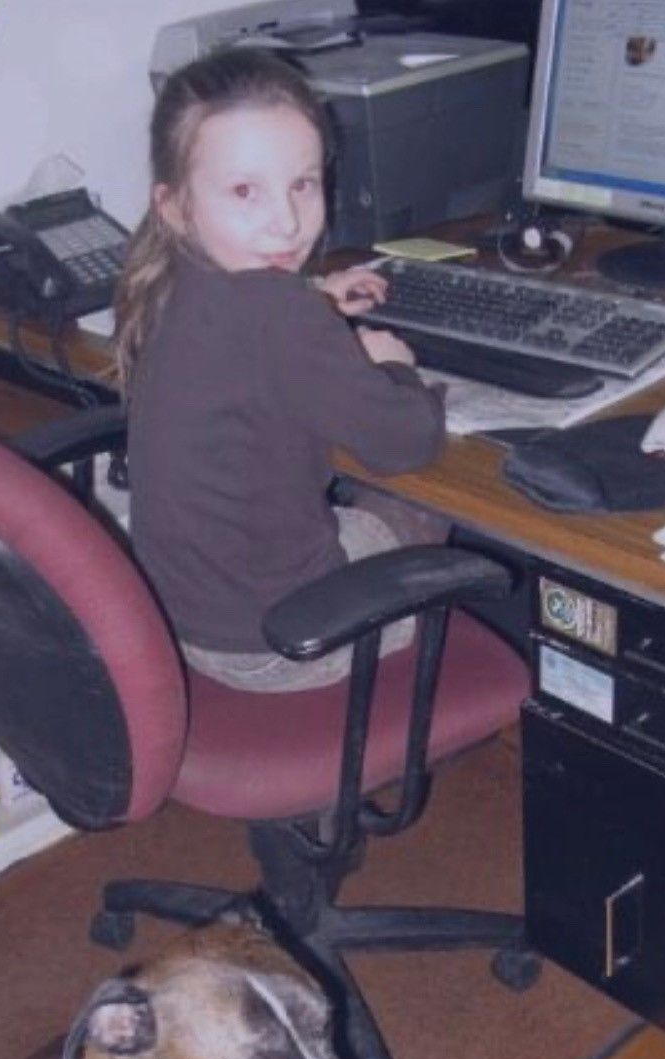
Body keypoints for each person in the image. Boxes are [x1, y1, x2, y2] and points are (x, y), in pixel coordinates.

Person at [114, 47, 447, 693]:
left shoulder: (165, 281)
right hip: (280, 649)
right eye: (245, 191)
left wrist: (312, 298)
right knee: (424, 506)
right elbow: (407, 442)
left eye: (303, 184)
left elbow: (247, 338)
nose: (288, 222)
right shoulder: (279, 315)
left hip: (184, 623)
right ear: (176, 206)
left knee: (347, 509)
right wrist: (394, 369)